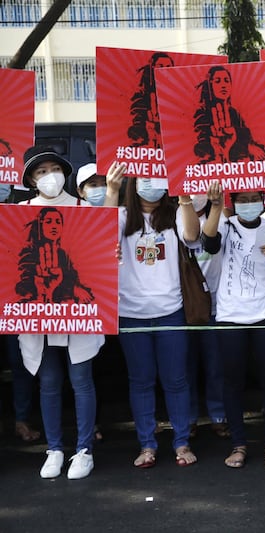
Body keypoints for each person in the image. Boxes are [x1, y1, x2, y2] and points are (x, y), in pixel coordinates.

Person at [16, 147, 111, 480]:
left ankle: (84, 450)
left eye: (55, 169)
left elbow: (101, 255)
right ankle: (54, 449)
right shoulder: (18, 213)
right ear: (30, 179)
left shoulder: (85, 209)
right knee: (50, 382)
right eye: (41, 172)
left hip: (76, 315)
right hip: (38, 316)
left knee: (81, 380)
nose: (50, 176)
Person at [105, 166, 200, 469]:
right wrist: (110, 190)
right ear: (134, 183)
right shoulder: (121, 217)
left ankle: (181, 442)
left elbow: (193, 235)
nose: (152, 185)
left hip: (171, 310)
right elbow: (103, 238)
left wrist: (184, 199)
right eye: (145, 178)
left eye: (159, 178)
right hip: (131, 314)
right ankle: (147, 444)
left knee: (176, 380)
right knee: (141, 381)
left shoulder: (173, 215)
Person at [200, 182, 265, 468]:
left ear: (263, 201)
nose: (250, 203)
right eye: (244, 199)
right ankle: (238, 444)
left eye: (255, 199)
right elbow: (208, 243)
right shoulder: (225, 226)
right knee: (232, 381)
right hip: (230, 315)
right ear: (234, 202)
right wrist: (216, 207)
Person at [185, 192, 227, 439]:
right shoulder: (175, 218)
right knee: (185, 367)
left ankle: (218, 416)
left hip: (217, 305)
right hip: (187, 306)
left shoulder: (223, 217)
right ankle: (188, 418)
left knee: (216, 366)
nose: (197, 194)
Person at [15, 207, 93, 304]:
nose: (54, 226)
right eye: (48, 222)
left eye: (58, 222)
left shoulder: (63, 254)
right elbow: (23, 288)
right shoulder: (28, 253)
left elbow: (73, 278)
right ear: (40, 226)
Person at [193, 65, 265, 164]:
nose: (223, 85)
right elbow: (201, 148)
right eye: (218, 81)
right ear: (210, 85)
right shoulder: (202, 115)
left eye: (226, 81)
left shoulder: (233, 112)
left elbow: (248, 139)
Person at [128, 52, 174, 148]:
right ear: (151, 67)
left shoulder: (176, 94)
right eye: (160, 67)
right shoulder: (141, 91)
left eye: (168, 67)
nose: (164, 71)